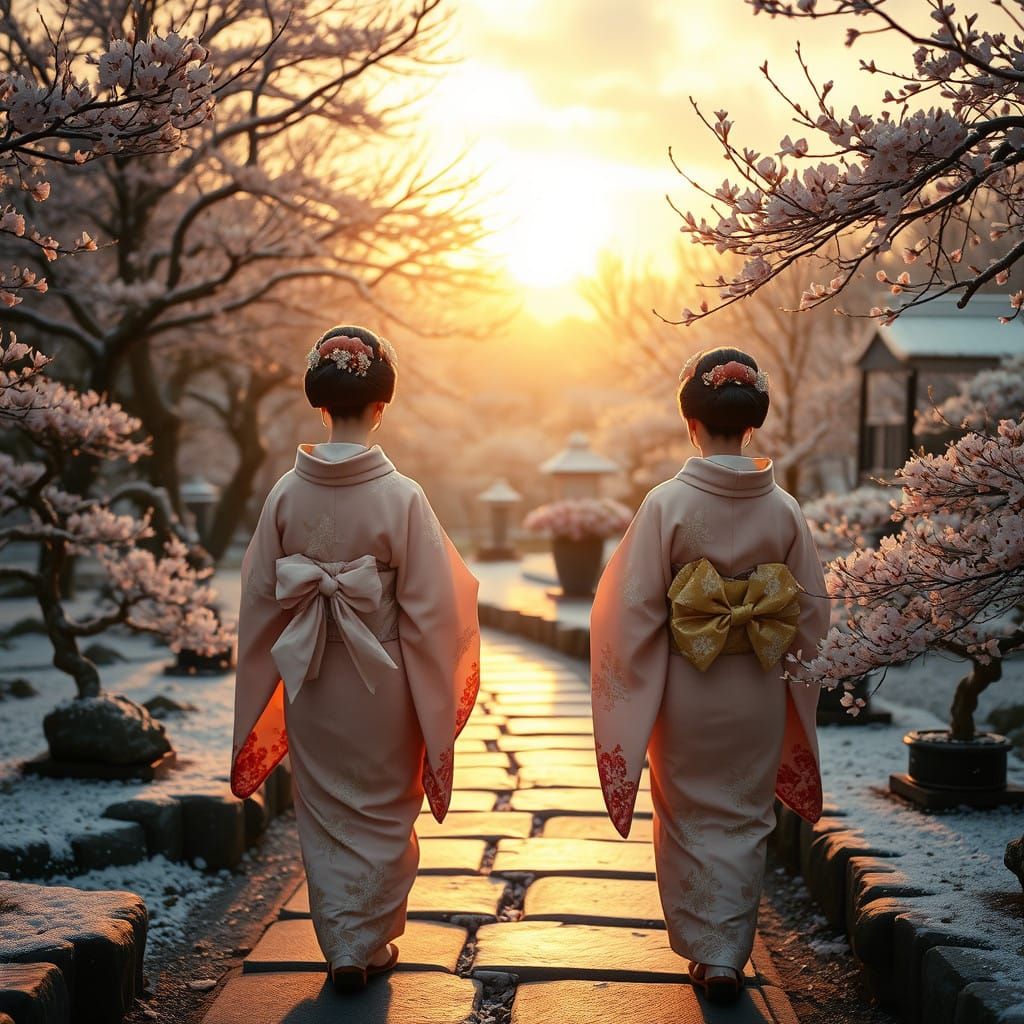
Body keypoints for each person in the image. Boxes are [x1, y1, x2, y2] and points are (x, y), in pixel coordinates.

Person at [230, 325, 480, 991]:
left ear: (320, 405)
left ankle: (342, 943)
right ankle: (366, 941)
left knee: (325, 813)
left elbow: (259, 599)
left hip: (312, 677)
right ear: (380, 406)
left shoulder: (286, 494)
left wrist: (266, 675)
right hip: (384, 681)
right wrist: (434, 689)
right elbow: (436, 609)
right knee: (386, 808)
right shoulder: (402, 496)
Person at [589, 346, 829, 1004]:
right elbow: (812, 610)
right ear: (752, 424)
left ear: (690, 422)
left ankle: (708, 950)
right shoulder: (784, 509)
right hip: (757, 686)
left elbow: (627, 610)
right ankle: (729, 954)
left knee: (688, 813)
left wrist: (635, 683)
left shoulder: (666, 503)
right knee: (746, 817)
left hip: (685, 690)